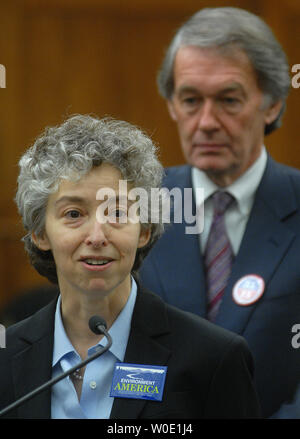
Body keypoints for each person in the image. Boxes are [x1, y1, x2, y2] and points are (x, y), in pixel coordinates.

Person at [0, 115, 260, 419]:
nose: (97, 236)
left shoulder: (213, 358)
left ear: (145, 230)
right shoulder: (6, 358)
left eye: (118, 213)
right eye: (73, 213)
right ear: (41, 233)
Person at [139, 7, 300, 418]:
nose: (206, 122)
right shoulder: (136, 206)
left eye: (228, 100)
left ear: (272, 104)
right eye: (191, 100)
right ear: (172, 104)